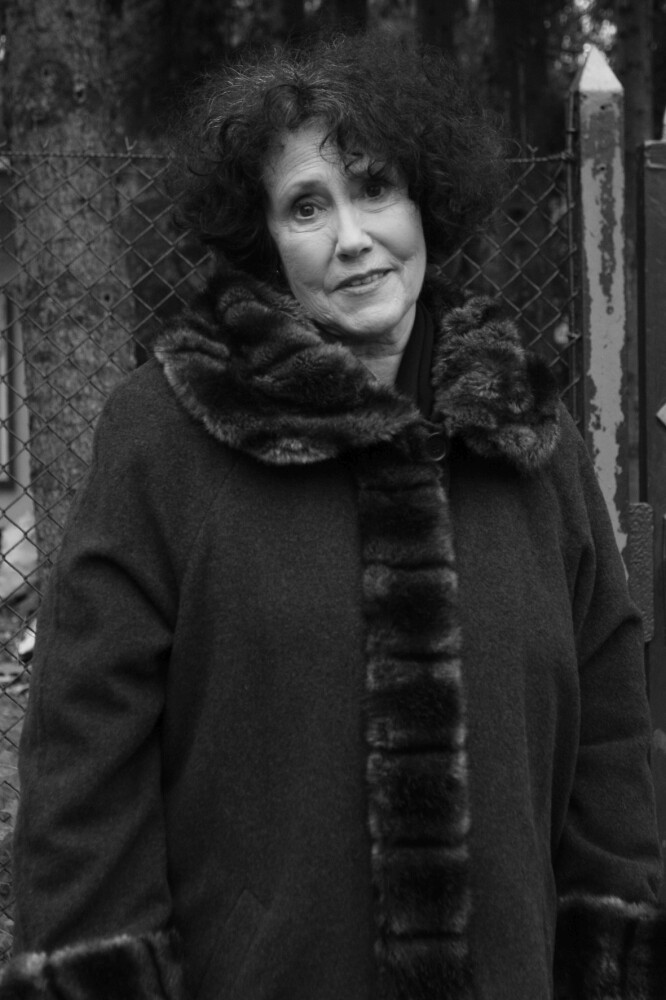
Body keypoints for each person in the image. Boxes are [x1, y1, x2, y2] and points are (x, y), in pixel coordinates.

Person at [1, 32, 665, 1000]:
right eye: (307, 207)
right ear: (265, 240)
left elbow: (609, 737)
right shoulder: (166, 436)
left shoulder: (528, 432)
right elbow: (85, 757)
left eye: (375, 188)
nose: (352, 237)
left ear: (424, 201)